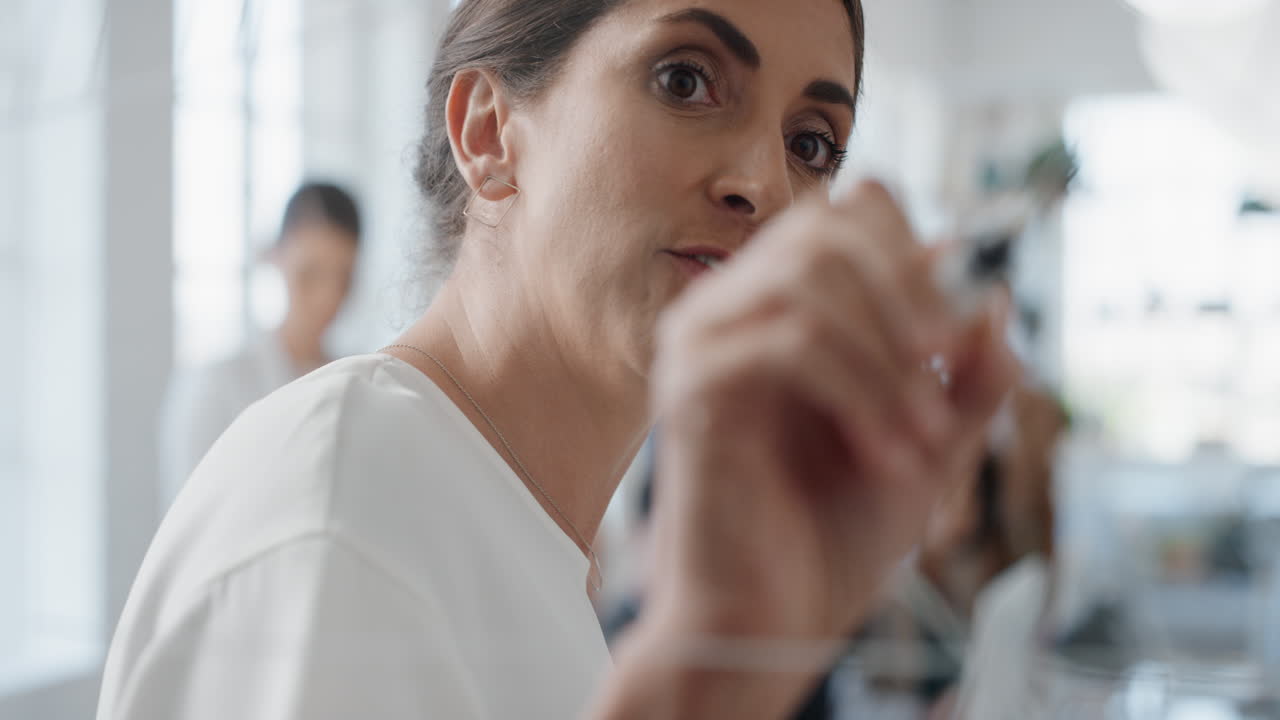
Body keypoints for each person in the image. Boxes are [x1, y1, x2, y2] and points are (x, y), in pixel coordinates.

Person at [98, 2, 1016, 719]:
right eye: (686, 79)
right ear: (490, 134)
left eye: (811, 143)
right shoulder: (347, 513)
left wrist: (735, 654)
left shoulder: (526, 532)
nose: (766, 185)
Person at [157, 182, 361, 507]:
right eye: (309, 274)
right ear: (274, 256)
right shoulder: (216, 385)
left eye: (344, 277)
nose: (328, 297)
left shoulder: (359, 385)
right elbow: (188, 520)